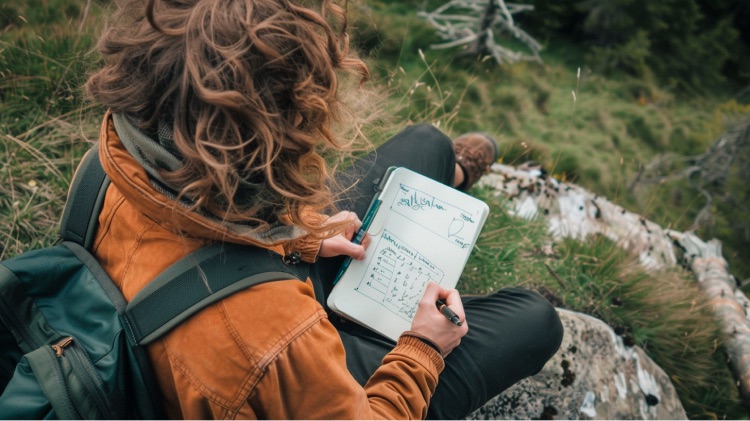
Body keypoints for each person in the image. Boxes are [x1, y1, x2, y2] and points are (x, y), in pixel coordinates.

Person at [84, 0, 563, 418]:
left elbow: (195, 231)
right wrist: (423, 348)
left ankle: (452, 170)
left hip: (212, 308)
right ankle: (450, 180)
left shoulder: (113, 157)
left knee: (427, 144)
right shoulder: (276, 340)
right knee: (535, 319)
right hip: (265, 353)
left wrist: (297, 237)